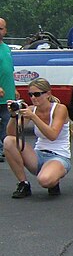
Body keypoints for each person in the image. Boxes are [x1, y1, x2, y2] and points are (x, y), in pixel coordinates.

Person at [3, 78, 71, 198]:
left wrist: (34, 117)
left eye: (37, 94)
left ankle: (53, 181)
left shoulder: (60, 109)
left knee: (44, 180)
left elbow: (52, 135)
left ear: (48, 94)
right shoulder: (31, 110)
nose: (33, 98)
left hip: (58, 155)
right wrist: (14, 116)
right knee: (8, 142)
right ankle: (23, 183)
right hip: (37, 155)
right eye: (30, 95)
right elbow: (12, 133)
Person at [0, 18, 16, 163]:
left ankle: (5, 149)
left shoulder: (6, 48)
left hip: (8, 96)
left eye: (1, 28)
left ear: (5, 31)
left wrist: (15, 89)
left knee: (7, 124)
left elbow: (9, 71)